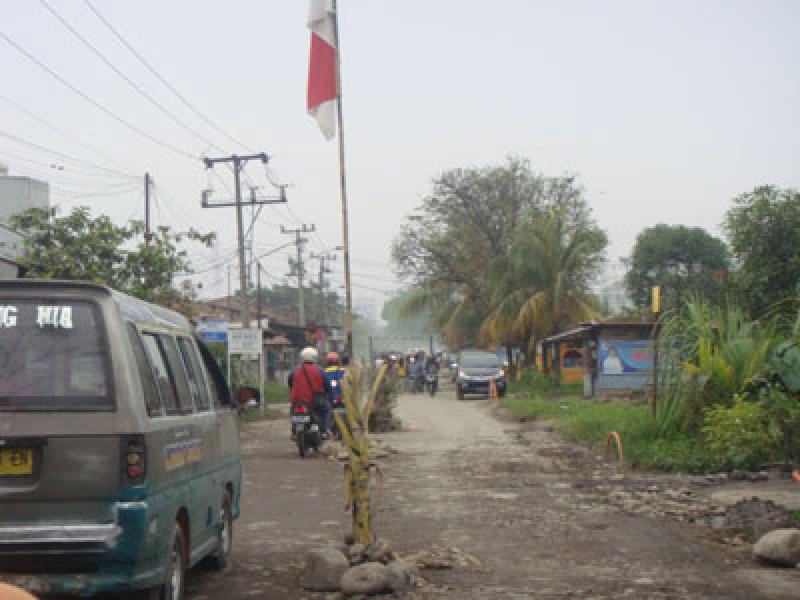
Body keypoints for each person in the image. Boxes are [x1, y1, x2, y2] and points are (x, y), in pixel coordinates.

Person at [288, 347, 332, 436]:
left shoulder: (294, 370)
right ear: (315, 357)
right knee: (327, 409)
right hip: (315, 401)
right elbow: (327, 385)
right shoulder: (319, 370)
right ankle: (324, 430)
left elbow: (290, 382)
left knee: (293, 412)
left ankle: (293, 431)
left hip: (297, 400)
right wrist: (328, 394)